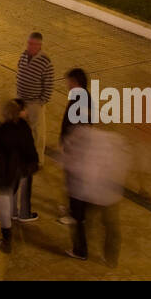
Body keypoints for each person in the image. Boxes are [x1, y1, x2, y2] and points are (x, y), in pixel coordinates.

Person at [62, 124, 129, 265]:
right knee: (111, 226)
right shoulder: (119, 141)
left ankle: (81, 249)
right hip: (109, 194)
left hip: (87, 191)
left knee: (82, 221)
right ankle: (111, 258)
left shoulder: (82, 135)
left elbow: (70, 158)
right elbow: (123, 166)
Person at [0, 100, 39, 252]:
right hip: (17, 172)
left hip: (2, 173)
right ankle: (19, 213)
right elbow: (30, 150)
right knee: (14, 193)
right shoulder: (24, 128)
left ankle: (7, 240)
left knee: (4, 208)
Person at [14, 31, 54, 222]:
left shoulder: (45, 62)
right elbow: (19, 73)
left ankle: (37, 159)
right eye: (28, 43)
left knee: (38, 132)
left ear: (40, 46)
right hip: (22, 101)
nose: (30, 46)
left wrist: (41, 102)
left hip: (35, 103)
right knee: (24, 131)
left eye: (33, 44)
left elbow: (48, 85)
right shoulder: (23, 56)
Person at [57, 68, 90, 225]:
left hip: (77, 150)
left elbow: (80, 127)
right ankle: (73, 209)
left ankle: (77, 215)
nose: (67, 85)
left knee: (76, 181)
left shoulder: (81, 100)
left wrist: (69, 144)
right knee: (72, 181)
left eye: (69, 82)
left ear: (76, 82)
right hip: (75, 148)